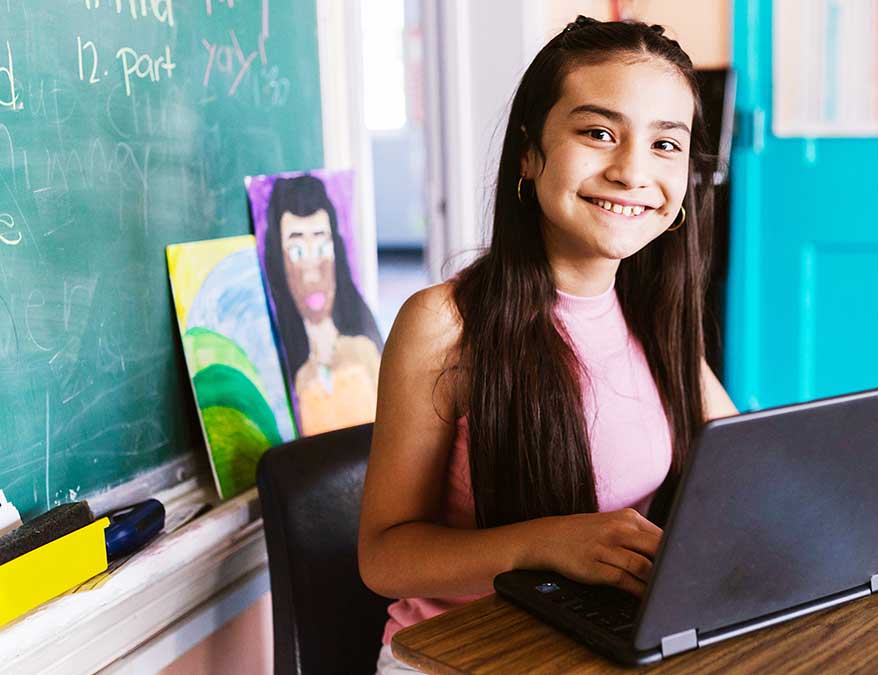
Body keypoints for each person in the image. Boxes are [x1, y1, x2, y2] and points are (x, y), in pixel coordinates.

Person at [358, 17, 739, 673]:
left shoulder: (655, 313)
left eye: (665, 145)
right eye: (598, 133)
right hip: (456, 654)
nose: (631, 171)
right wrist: (543, 543)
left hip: (592, 642)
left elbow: (747, 468)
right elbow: (384, 558)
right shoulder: (444, 324)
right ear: (530, 155)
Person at [262, 174, 384, 436]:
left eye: (321, 247)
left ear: (336, 250)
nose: (312, 272)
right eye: (296, 252)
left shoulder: (364, 351)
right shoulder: (285, 373)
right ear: (278, 262)